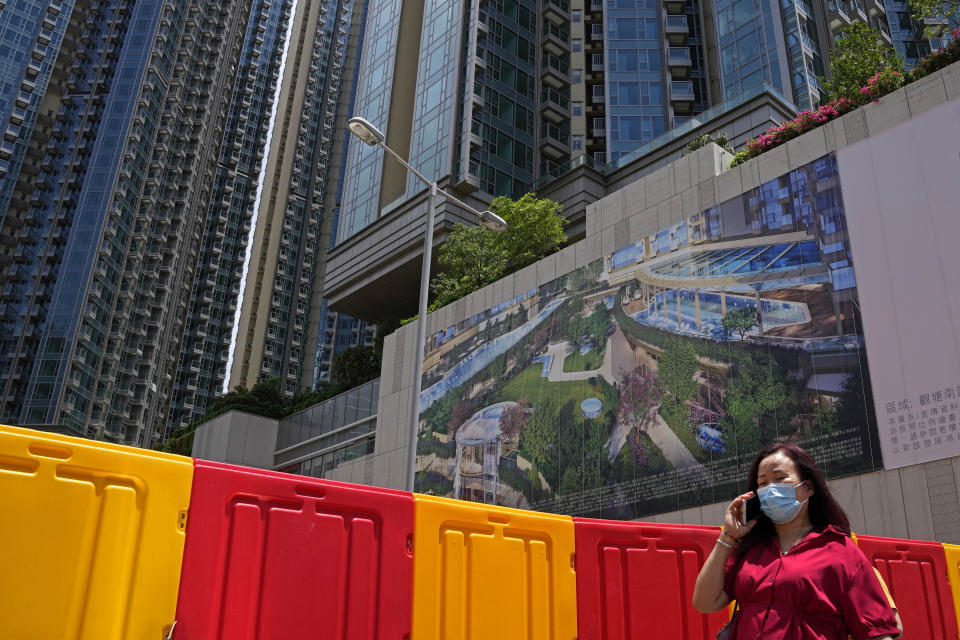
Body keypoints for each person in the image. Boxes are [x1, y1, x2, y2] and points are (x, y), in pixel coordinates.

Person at [692, 443, 902, 640]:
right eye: (762, 483)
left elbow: (877, 632)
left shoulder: (841, 552)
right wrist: (728, 536)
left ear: (808, 487)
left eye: (780, 478)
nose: (770, 489)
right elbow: (704, 602)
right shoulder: (750, 549)